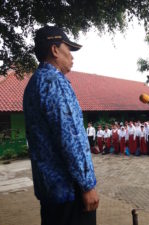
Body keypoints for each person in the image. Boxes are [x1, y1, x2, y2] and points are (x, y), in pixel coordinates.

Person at [23, 26, 99, 225]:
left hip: (50, 192)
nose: (72, 57)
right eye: (69, 50)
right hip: (69, 194)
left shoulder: (34, 83)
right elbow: (70, 137)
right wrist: (87, 185)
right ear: (55, 50)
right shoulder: (55, 81)